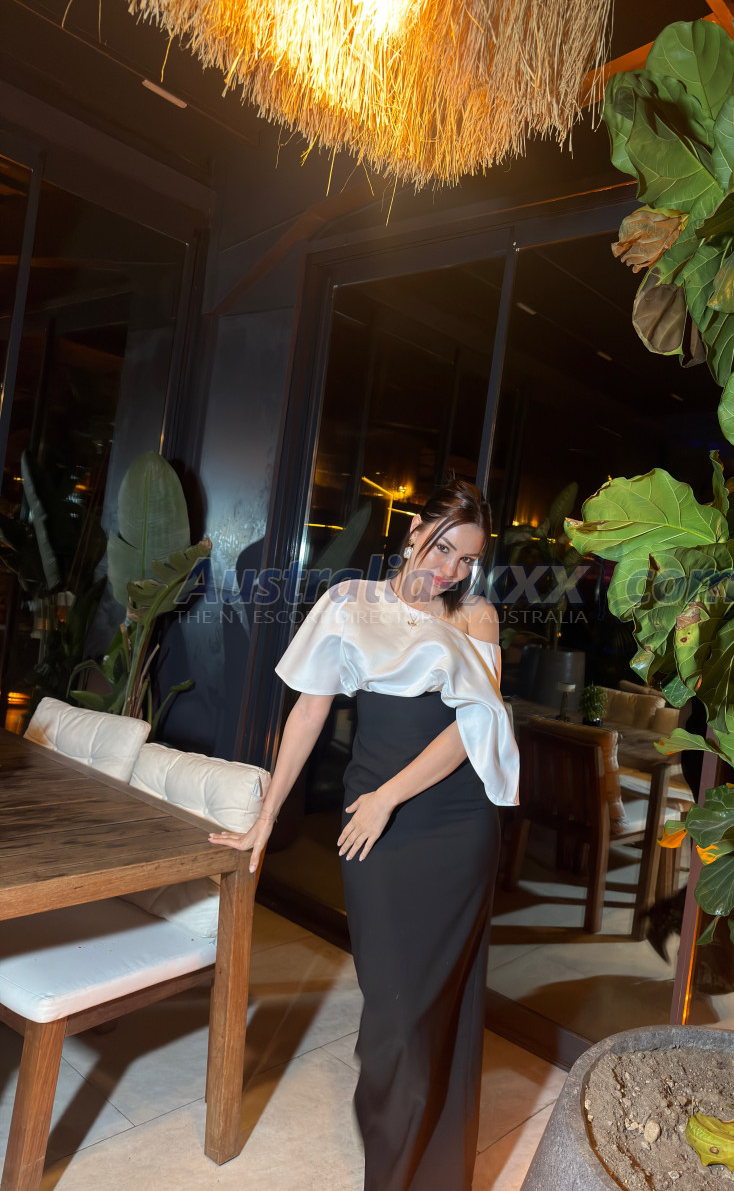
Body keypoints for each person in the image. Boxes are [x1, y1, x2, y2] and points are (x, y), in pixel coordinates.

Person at [209, 477, 519, 1191]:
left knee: (430, 1007)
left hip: (452, 821)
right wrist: (266, 816)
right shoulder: (350, 603)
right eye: (441, 547)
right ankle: (398, 1148)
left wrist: (388, 797)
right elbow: (308, 713)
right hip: (372, 827)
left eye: (466, 559)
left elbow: (471, 732)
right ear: (413, 531)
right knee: (392, 1009)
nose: (450, 569)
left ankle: (416, 1174)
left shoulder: (477, 617)